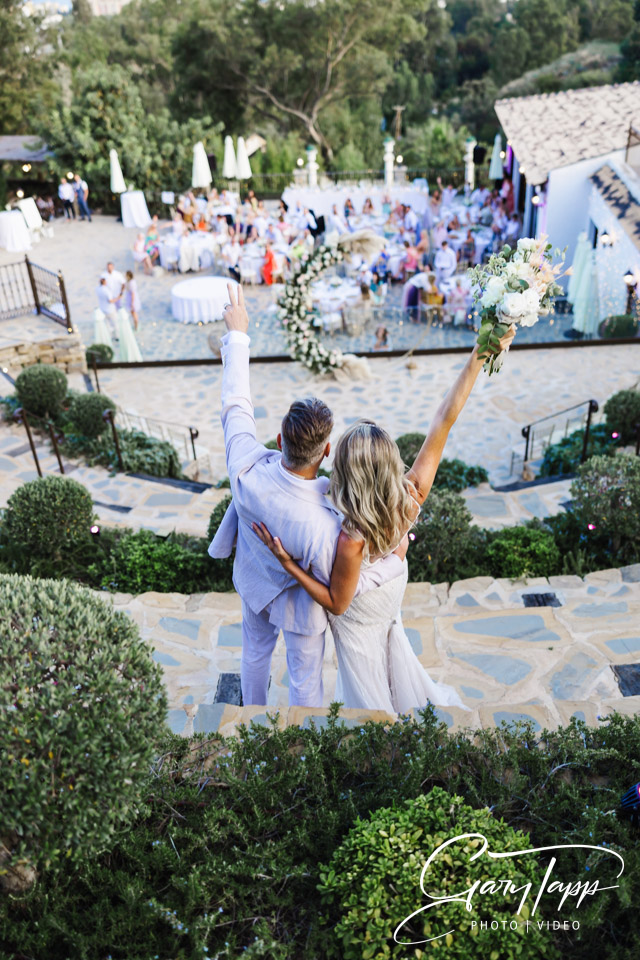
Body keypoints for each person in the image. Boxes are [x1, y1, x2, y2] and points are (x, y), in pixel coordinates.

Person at [253, 324, 517, 714]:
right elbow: (445, 419)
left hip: (360, 617)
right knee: (393, 649)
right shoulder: (410, 497)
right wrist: (480, 352)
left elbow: (337, 604)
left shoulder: (349, 538)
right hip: (390, 601)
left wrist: (288, 564)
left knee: (369, 690)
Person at [208, 284, 403, 707]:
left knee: (254, 655)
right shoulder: (331, 520)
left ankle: (253, 720)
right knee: (305, 681)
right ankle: (301, 749)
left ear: (279, 439)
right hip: (302, 611)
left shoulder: (245, 469)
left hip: (255, 582)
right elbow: (347, 586)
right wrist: (395, 562)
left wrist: (238, 334)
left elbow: (235, 404)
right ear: (328, 451)